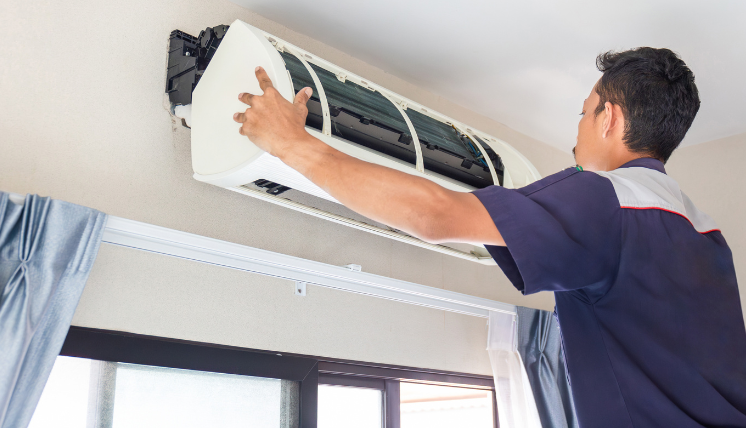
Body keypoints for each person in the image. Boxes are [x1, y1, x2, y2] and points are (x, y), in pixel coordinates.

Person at [233, 47, 746, 427]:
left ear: (608, 117)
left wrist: (291, 143)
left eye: (584, 111)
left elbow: (434, 215)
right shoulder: (705, 234)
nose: (578, 128)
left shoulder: (605, 199)